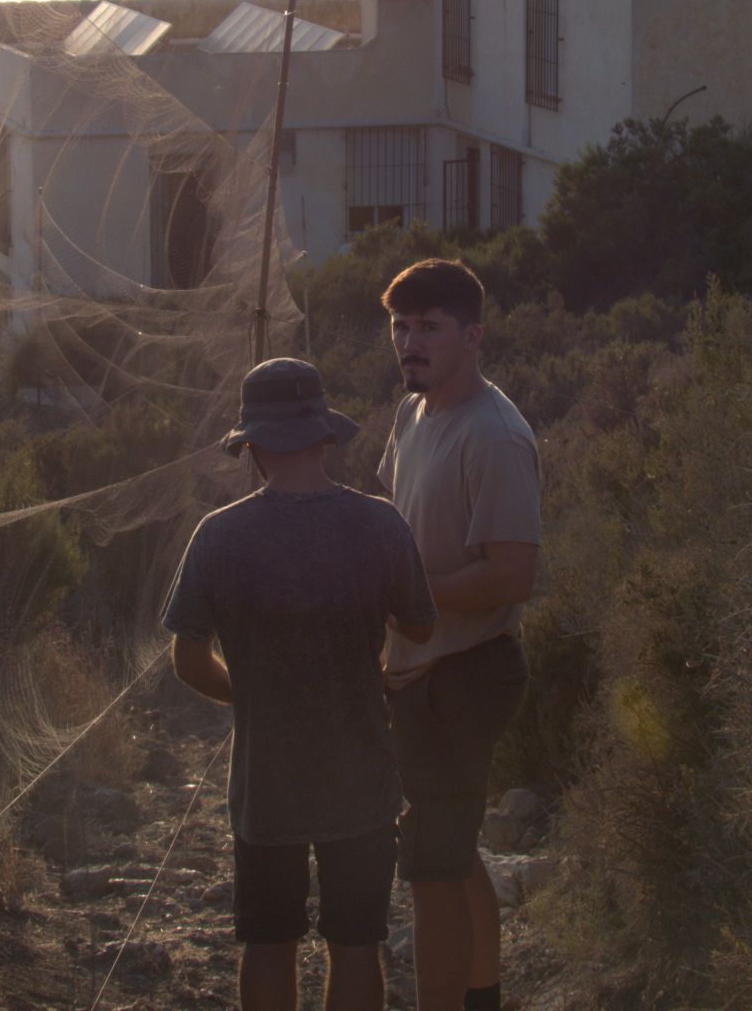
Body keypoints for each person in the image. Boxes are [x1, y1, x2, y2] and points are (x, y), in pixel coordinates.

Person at [164, 357, 437, 1011]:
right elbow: (421, 629)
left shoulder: (218, 535)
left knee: (267, 943)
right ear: (324, 435)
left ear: (251, 446)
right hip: (363, 781)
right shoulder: (380, 524)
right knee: (356, 945)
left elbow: (188, 658)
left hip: (266, 785)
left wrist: (250, 693)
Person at [378, 260, 541, 1011]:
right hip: (418, 670)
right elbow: (394, 526)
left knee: (430, 866)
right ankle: (484, 996)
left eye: (429, 327)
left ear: (472, 336)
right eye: (400, 327)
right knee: (450, 846)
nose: (409, 343)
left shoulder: (495, 435)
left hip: (467, 673)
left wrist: (408, 596)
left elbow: (511, 575)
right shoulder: (412, 414)